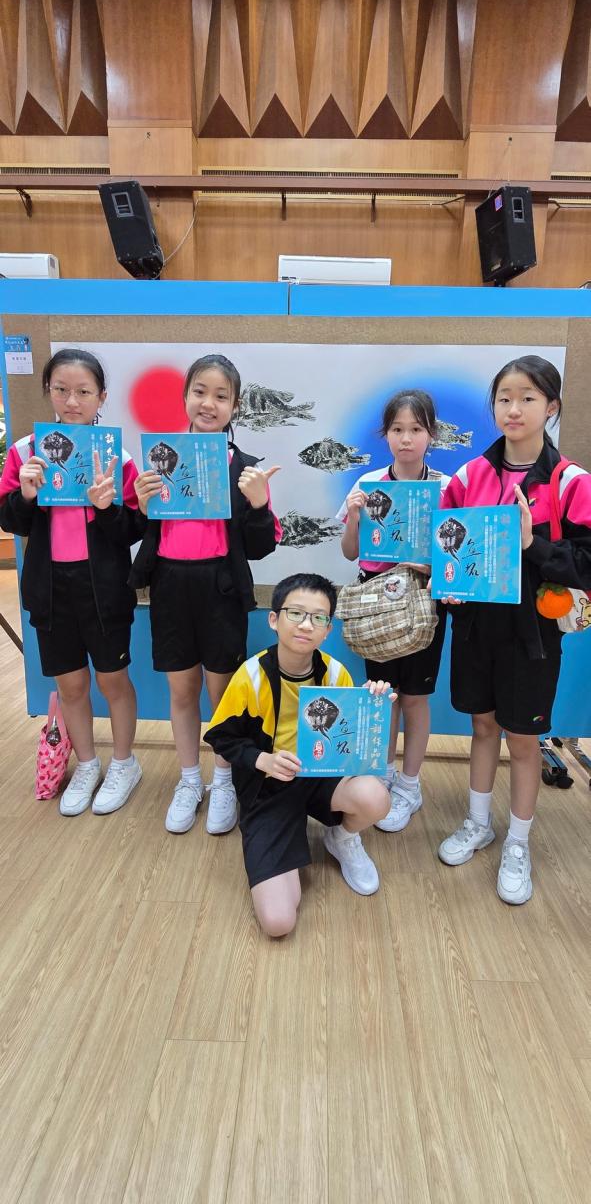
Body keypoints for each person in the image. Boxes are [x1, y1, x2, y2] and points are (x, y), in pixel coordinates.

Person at [437, 354, 591, 904]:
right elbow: (447, 542)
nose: (514, 408)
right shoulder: (469, 476)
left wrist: (533, 545)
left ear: (551, 407)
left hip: (533, 635)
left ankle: (518, 843)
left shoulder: (571, 481)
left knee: (523, 740)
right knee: (482, 726)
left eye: (528, 398)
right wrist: (448, 582)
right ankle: (478, 823)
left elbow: (586, 563)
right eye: (504, 398)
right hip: (477, 627)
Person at [131, 353, 281, 836]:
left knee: (222, 692)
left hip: (221, 588)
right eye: (200, 392)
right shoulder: (161, 460)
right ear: (185, 397)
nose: (208, 403)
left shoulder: (246, 469)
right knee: (181, 690)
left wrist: (258, 504)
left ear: (235, 406)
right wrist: (142, 506)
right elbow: (137, 529)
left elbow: (259, 547)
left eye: (221, 396)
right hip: (171, 585)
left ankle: (223, 780)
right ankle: (189, 779)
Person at [203, 573, 392, 937]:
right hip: (269, 788)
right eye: (296, 613)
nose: (306, 625)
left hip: (320, 778)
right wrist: (263, 760)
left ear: (328, 630)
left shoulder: (335, 673)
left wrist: (373, 705)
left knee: (375, 797)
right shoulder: (251, 676)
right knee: (279, 921)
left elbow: (351, 744)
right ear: (274, 619)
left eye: (319, 617)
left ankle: (342, 838)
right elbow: (221, 736)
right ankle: (281, 835)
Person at [0, 348, 142, 815]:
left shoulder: (117, 456)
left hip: (104, 588)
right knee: (71, 684)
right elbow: (10, 521)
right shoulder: (25, 452)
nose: (72, 401)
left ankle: (124, 763)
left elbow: (134, 529)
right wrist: (25, 495)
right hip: (50, 587)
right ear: (48, 391)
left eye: (84, 391)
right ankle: (86, 764)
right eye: (61, 389)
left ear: (101, 396)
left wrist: (107, 509)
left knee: (113, 680)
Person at [338, 388, 448, 833]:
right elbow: (350, 552)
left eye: (416, 429)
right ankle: (381, 777)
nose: (406, 438)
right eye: (398, 429)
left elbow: (454, 560)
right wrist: (353, 517)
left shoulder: (446, 488)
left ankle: (409, 785)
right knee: (384, 694)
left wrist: (428, 565)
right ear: (385, 434)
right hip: (377, 603)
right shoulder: (367, 486)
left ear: (431, 434)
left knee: (416, 697)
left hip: (423, 602)